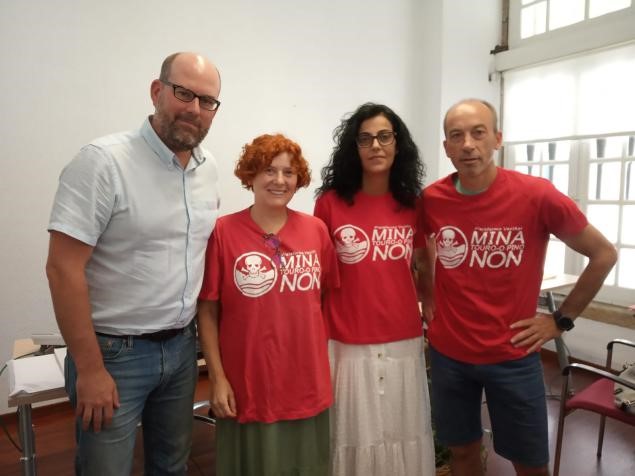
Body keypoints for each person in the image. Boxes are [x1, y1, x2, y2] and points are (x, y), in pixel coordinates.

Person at [417, 98, 618, 476]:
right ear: (446, 147)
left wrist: (560, 320)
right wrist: (427, 297)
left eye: (478, 133)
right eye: (456, 136)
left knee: (530, 465)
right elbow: (421, 250)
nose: (468, 144)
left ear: (497, 139)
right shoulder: (432, 199)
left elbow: (603, 254)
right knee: (462, 453)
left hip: (513, 355)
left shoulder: (536, 195)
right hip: (449, 355)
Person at [45, 52, 222, 475]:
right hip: (114, 355)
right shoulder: (102, 162)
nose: (195, 109)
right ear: (157, 91)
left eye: (207, 101)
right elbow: (62, 269)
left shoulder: (208, 169)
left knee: (171, 466)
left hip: (181, 349)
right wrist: (90, 369)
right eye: (184, 93)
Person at [197, 134, 339, 476]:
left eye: (289, 172)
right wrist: (217, 378)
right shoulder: (223, 232)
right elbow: (208, 311)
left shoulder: (316, 231)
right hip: (247, 382)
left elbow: (324, 297)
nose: (279, 180)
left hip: (305, 380)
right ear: (251, 175)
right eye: (269, 170)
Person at [314, 103, 436, 476]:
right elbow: (319, 273)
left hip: (402, 335)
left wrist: (429, 301)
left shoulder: (412, 204)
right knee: (353, 434)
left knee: (402, 430)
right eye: (365, 139)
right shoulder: (330, 203)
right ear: (354, 147)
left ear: (398, 143)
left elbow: (423, 260)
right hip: (346, 339)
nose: (376, 145)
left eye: (384, 136)